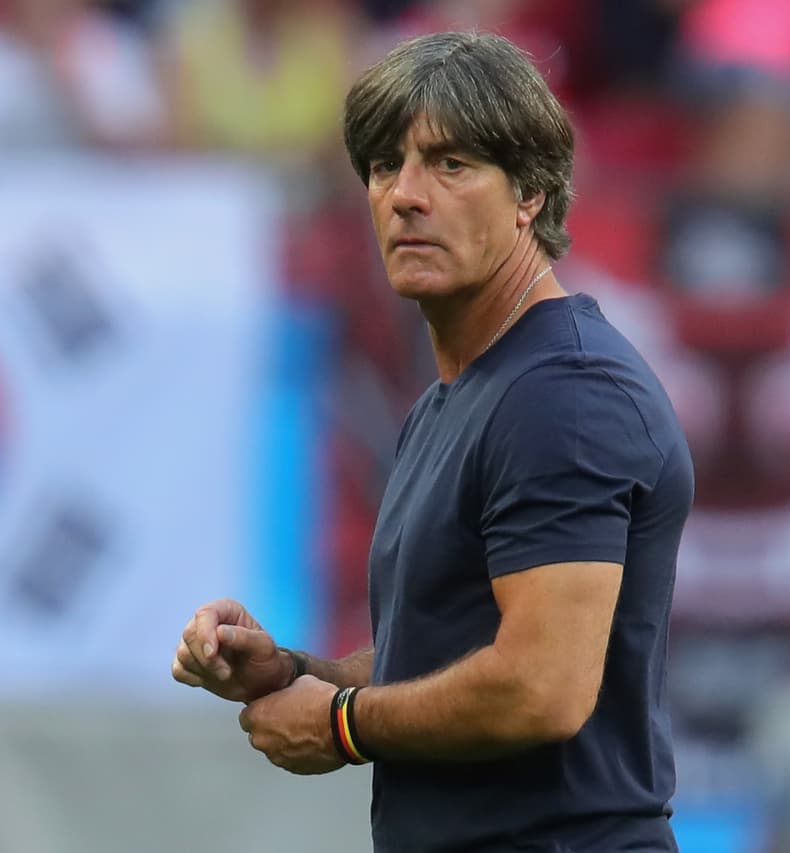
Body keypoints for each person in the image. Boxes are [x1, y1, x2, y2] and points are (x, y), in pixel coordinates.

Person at [171, 30, 695, 853]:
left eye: (451, 164)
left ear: (530, 192)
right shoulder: (457, 397)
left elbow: (542, 686)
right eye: (386, 165)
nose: (406, 195)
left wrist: (342, 724)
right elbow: (445, 652)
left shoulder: (564, 393)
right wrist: (298, 673)